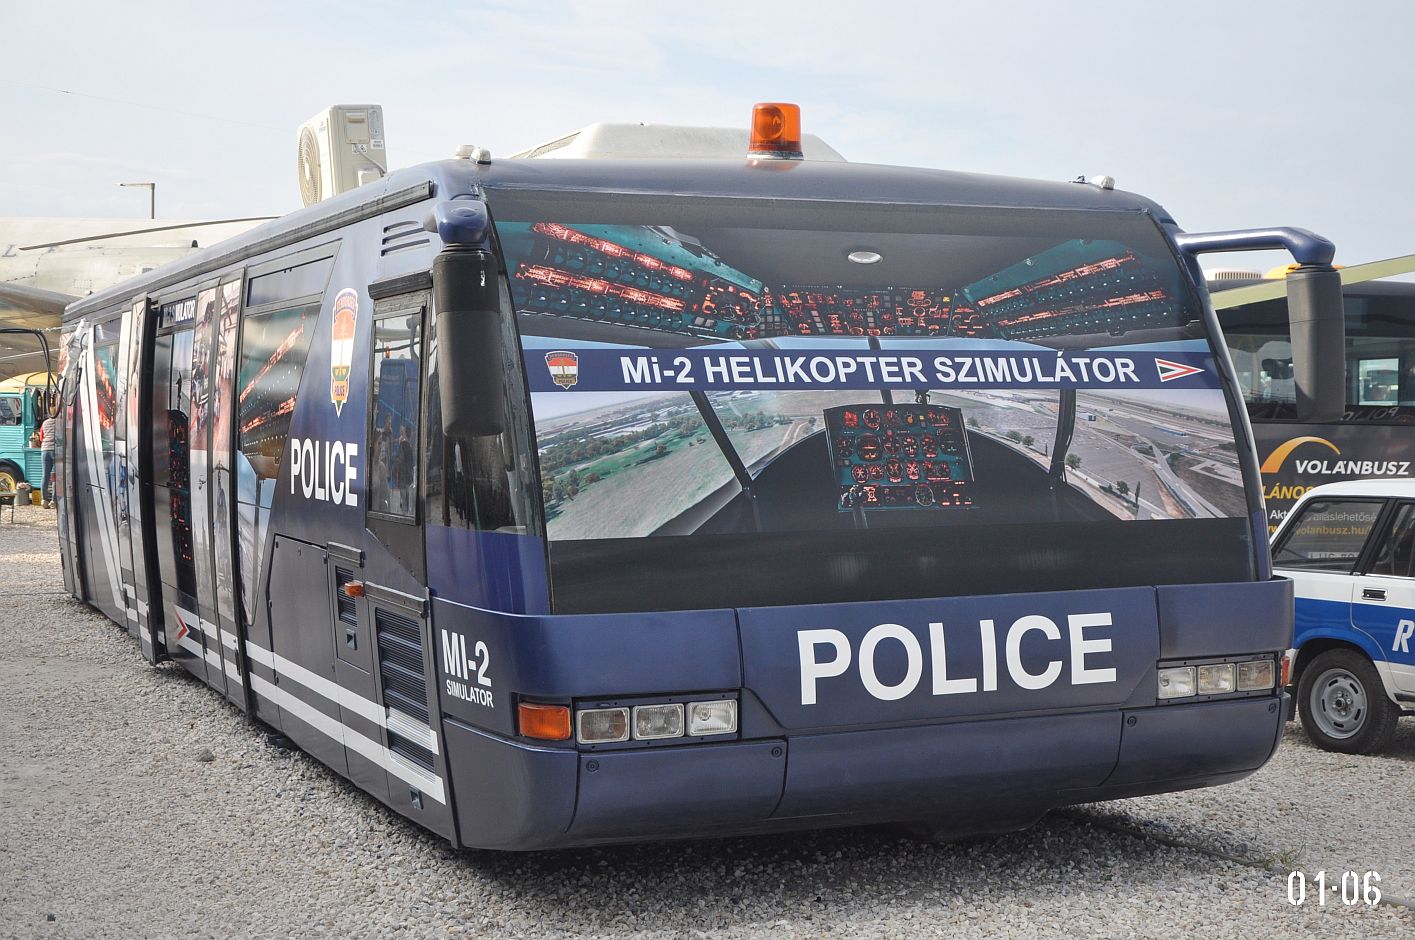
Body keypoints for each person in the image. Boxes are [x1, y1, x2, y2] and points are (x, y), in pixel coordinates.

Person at [40, 409, 57, 508]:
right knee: (54, 476)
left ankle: (44, 500)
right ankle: (53, 501)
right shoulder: (60, 423)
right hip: (56, 451)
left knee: (45, 476)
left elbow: (41, 437)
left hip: (45, 450)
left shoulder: (44, 423)